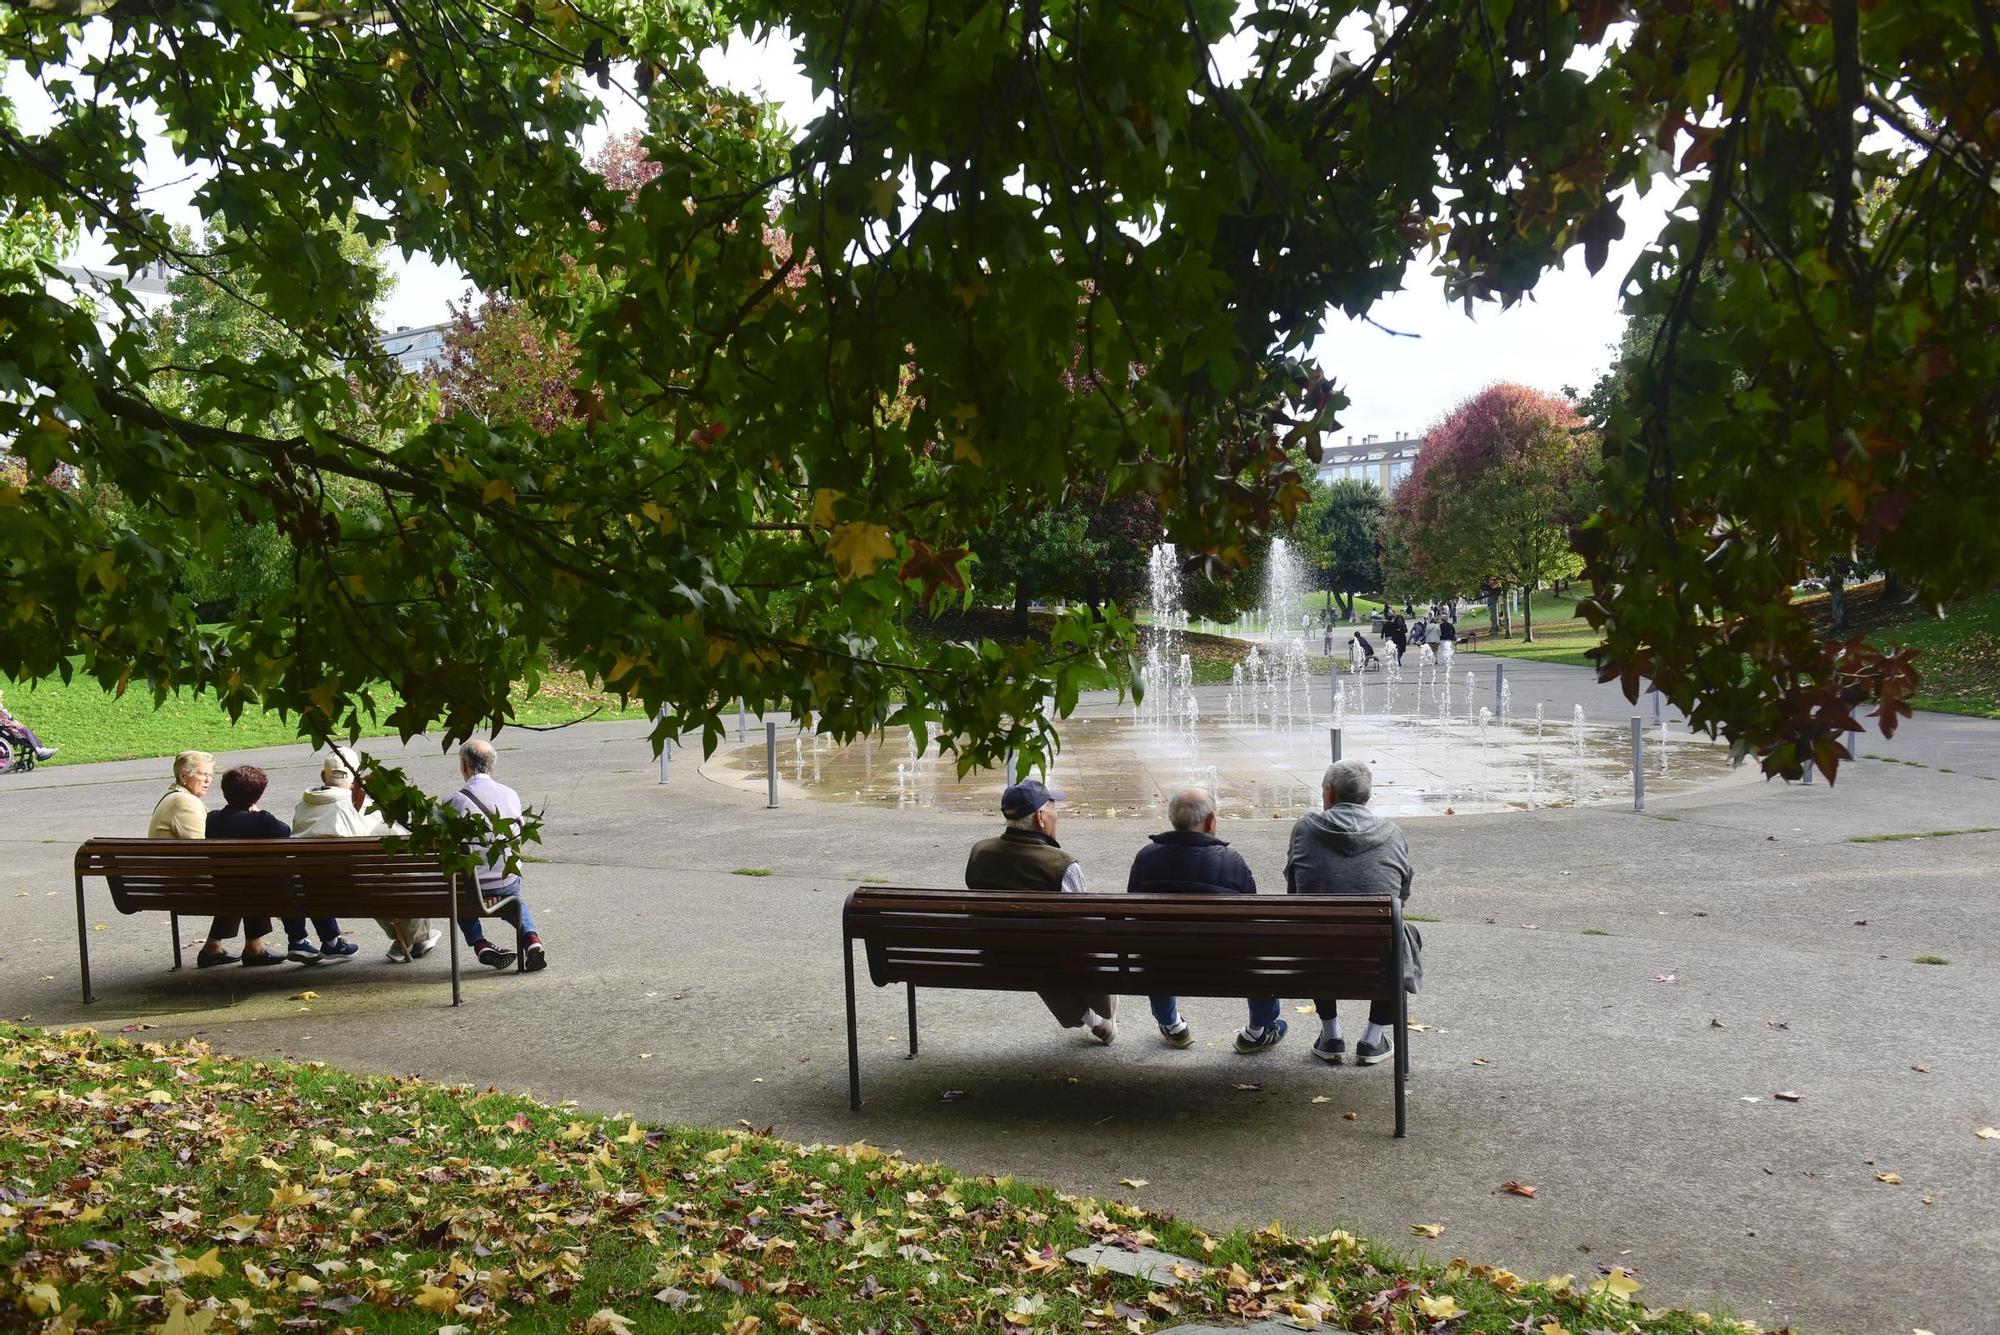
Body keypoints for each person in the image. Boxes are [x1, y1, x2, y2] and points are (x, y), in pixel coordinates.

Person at [1283, 760, 1424, 1067]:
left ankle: (1331, 1033)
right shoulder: (1392, 833)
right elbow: (1402, 894)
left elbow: (1294, 892)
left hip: (1317, 955)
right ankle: (1373, 1038)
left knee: (1312, 929)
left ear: (1329, 793)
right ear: (1367, 796)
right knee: (1402, 932)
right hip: (1375, 954)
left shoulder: (1304, 829)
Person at [1126, 788, 1285, 1054]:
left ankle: (1172, 1024)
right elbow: (1254, 919)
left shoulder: (1146, 858)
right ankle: (1258, 1030)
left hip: (1161, 965)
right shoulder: (1232, 862)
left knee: (1153, 944)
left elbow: (1133, 912)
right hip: (1226, 966)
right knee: (1259, 951)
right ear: (1211, 821)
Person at [964, 778, 1116, 1043]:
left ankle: (1093, 1021)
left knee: (1034, 953)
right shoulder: (1063, 865)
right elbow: (1087, 927)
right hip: (1053, 961)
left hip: (995, 956)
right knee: (1059, 954)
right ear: (1041, 818)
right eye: (1054, 808)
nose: (1059, 815)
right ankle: (1102, 1017)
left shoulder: (980, 852)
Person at [294, 749, 441, 963]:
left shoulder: (303, 805)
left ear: (323, 776)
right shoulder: (358, 806)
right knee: (402, 871)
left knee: (380, 874)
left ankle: (409, 940)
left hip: (316, 894)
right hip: (362, 891)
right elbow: (400, 838)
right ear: (355, 776)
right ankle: (413, 938)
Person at [147, 750, 286, 969]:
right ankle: (254, 947)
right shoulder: (184, 803)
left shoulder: (175, 798)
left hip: (172, 876)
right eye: (202, 774)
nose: (207, 780)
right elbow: (203, 849)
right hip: (182, 882)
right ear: (184, 777)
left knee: (238, 876)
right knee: (245, 877)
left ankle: (215, 947)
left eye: (210, 775)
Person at [207, 765, 358, 963]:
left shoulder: (212, 820)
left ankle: (300, 940)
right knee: (305, 882)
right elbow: (285, 832)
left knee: (283, 882)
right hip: (269, 895)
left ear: (225, 792)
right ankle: (328, 941)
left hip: (226, 892)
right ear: (257, 796)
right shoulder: (263, 821)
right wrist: (257, 812)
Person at [445, 739, 547, 972]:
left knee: (460, 894)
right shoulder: (510, 795)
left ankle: (480, 944)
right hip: (504, 882)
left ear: (463, 766)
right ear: (492, 766)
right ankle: (531, 939)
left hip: (467, 889)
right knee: (513, 898)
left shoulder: (452, 801)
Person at [0, 689, 57, 761]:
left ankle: (41, 749)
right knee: (25, 730)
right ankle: (39, 750)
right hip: (8, 729)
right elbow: (4, 721)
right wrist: (13, 723)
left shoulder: (1, 708)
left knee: (27, 730)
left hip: (10, 727)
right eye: (1, 697)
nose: (2, 699)